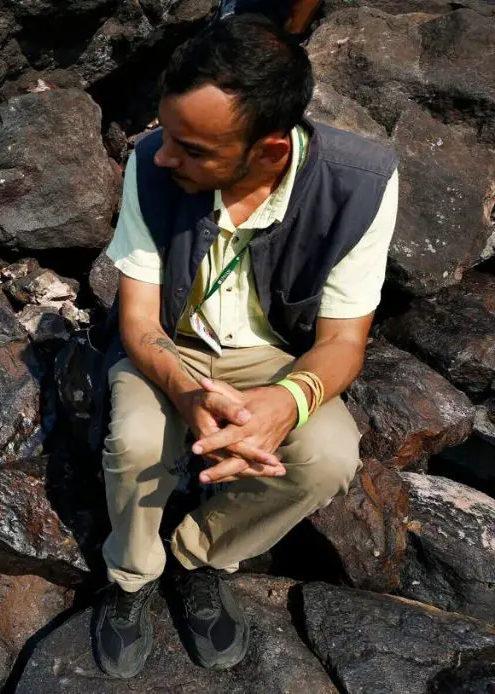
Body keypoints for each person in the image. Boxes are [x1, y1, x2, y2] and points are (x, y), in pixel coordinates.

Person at [92, 15, 398, 678]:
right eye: (168, 135)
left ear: (270, 152)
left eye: (195, 150)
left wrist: (285, 403)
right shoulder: (152, 161)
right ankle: (131, 575)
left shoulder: (361, 183)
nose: (167, 157)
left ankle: (200, 554)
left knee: (327, 457)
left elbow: (344, 341)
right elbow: (140, 322)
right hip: (170, 346)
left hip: (274, 356)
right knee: (139, 444)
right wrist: (186, 391)